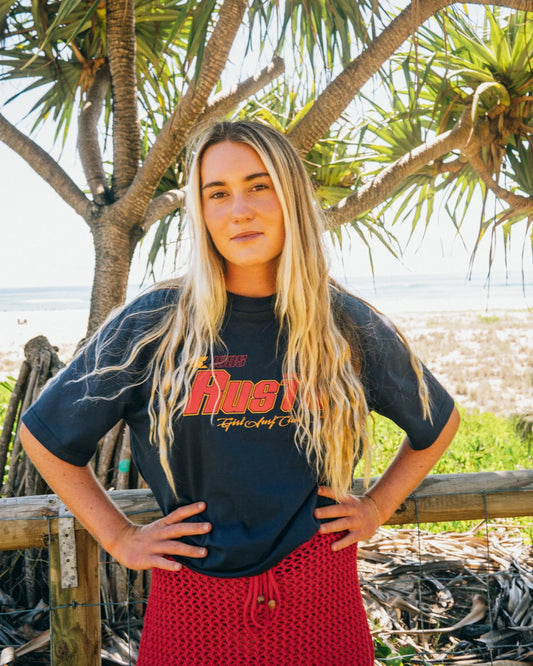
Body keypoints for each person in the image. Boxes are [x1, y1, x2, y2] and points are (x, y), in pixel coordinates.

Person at [21, 120, 459, 665]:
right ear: (201, 214)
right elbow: (45, 435)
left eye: (259, 185)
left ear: (291, 197)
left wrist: (376, 506)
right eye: (217, 194)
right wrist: (118, 537)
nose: (239, 210)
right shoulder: (155, 325)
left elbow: (436, 423)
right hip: (190, 609)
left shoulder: (342, 323)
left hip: (322, 604)